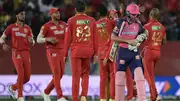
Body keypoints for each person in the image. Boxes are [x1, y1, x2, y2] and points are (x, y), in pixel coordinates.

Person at [111, 4, 148, 101]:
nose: (135, 17)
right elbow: (113, 37)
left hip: (134, 52)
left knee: (139, 75)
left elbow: (144, 33)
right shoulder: (121, 22)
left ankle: (142, 99)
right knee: (119, 79)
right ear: (128, 14)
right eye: (133, 14)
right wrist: (128, 41)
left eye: (137, 15)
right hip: (122, 52)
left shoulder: (138, 23)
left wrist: (141, 38)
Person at [64, 1, 97, 101]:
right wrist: (95, 53)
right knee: (85, 74)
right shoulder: (92, 20)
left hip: (76, 51)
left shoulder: (71, 21)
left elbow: (67, 39)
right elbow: (95, 38)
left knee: (76, 76)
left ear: (75, 9)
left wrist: (65, 54)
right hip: (87, 51)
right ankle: (84, 96)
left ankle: (75, 98)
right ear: (85, 9)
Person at [0, 6, 35, 101]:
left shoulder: (28, 28)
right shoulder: (11, 27)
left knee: (27, 78)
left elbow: (33, 41)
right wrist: (3, 44)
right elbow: (2, 38)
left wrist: (31, 41)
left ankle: (13, 88)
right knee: (21, 73)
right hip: (16, 52)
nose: (23, 16)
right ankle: (20, 96)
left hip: (26, 53)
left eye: (24, 14)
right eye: (21, 14)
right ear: (17, 15)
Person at [36, 8, 68, 101]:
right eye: (56, 13)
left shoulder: (64, 24)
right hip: (52, 51)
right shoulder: (46, 26)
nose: (58, 14)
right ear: (51, 14)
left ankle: (46, 92)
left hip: (62, 51)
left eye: (59, 12)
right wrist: (47, 39)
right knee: (57, 74)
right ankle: (60, 97)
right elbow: (38, 39)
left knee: (60, 75)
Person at [143, 8, 167, 101]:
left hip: (149, 52)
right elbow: (164, 41)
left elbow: (142, 39)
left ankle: (154, 96)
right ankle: (155, 95)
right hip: (157, 52)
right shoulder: (162, 27)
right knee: (149, 75)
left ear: (151, 15)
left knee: (148, 75)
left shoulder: (146, 26)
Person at [96, 4, 115, 101]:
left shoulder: (95, 24)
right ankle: (112, 98)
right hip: (112, 52)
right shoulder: (111, 22)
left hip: (101, 53)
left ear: (98, 13)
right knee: (112, 75)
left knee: (103, 76)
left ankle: (102, 98)